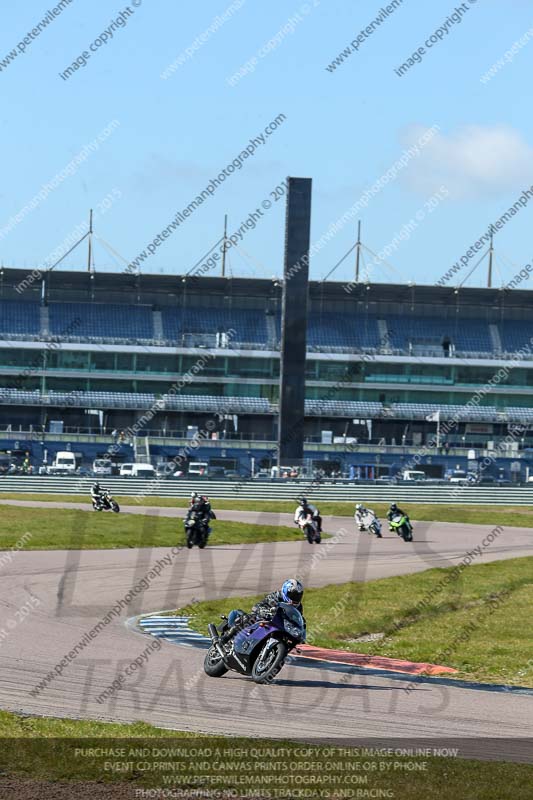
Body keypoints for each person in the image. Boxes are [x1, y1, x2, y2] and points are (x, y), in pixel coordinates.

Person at [221, 579, 305, 644]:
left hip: (279, 626)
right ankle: (226, 638)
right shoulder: (275, 597)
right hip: (263, 618)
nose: (295, 598)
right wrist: (264, 611)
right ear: (285, 591)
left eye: (298, 596)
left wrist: (301, 632)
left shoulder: (299, 607)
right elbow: (258, 606)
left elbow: (299, 620)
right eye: (293, 595)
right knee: (248, 619)